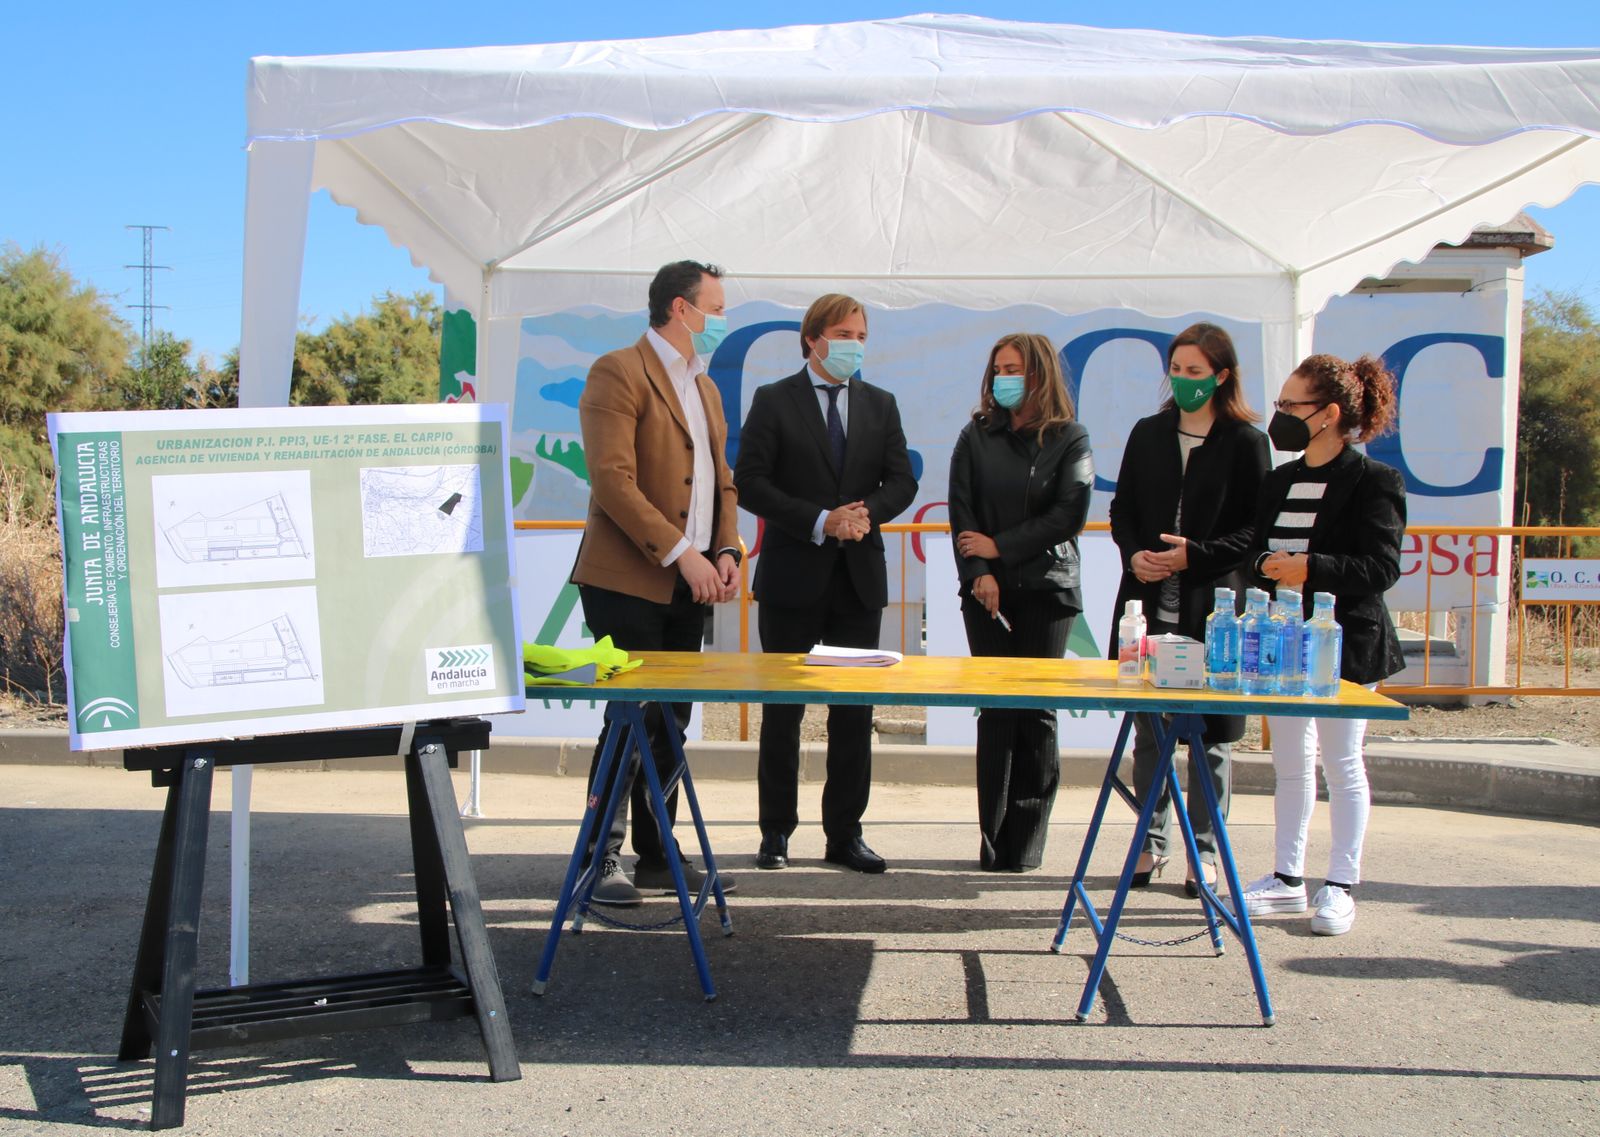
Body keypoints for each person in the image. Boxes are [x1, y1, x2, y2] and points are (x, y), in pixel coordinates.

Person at [571, 259, 743, 907]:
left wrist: (723, 546)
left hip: (690, 580)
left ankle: (656, 854)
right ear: (680, 307)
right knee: (631, 716)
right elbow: (612, 480)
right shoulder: (618, 370)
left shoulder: (706, 387)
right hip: (627, 580)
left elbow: (722, 479)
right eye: (716, 308)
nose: (722, 321)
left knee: (671, 720)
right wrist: (683, 553)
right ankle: (599, 859)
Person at [734, 293, 919, 874]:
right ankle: (776, 833)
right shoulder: (773, 400)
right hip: (793, 577)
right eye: (843, 334)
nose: (853, 346)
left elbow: (902, 479)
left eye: (862, 336)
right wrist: (821, 520)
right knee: (783, 711)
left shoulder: (880, 404)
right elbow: (752, 481)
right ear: (812, 338)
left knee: (853, 712)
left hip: (858, 579)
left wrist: (865, 514)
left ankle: (844, 834)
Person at [1235, 352, 1405, 936]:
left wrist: (1309, 566)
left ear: (1329, 414)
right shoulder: (1279, 480)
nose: (1279, 415)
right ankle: (1286, 878)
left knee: (1342, 763)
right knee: (1290, 764)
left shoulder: (1374, 481)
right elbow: (1255, 553)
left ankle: (1340, 884)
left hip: (1345, 643)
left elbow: (1381, 567)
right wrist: (1268, 565)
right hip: (1284, 642)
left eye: (1290, 405)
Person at [1108, 323, 1270, 896]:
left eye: (1195, 372)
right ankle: (1149, 847)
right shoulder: (1148, 434)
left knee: (1210, 740)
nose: (1182, 381)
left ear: (1221, 375)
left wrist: (1190, 558)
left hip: (1214, 608)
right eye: (1176, 370)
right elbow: (1122, 510)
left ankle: (1206, 857)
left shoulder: (1247, 442)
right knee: (1149, 734)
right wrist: (1136, 557)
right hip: (1150, 606)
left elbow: (1256, 532)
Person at [947, 334, 1094, 872]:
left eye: (1016, 368)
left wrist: (1002, 546)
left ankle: (1026, 843)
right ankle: (992, 839)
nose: (1004, 377)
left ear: (1040, 376)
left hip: (1048, 591)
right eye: (998, 368)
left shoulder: (1070, 437)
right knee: (997, 713)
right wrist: (980, 570)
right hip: (986, 593)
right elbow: (962, 512)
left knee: (1036, 713)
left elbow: (1069, 513)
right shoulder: (976, 435)